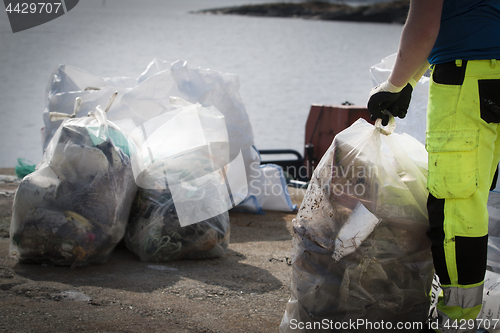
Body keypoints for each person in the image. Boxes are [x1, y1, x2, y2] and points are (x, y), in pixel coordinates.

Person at [367, 0, 500, 332]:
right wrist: (411, 80)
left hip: (468, 83)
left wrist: (394, 85)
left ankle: (459, 321)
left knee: (457, 206)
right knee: (482, 195)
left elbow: (426, 26)